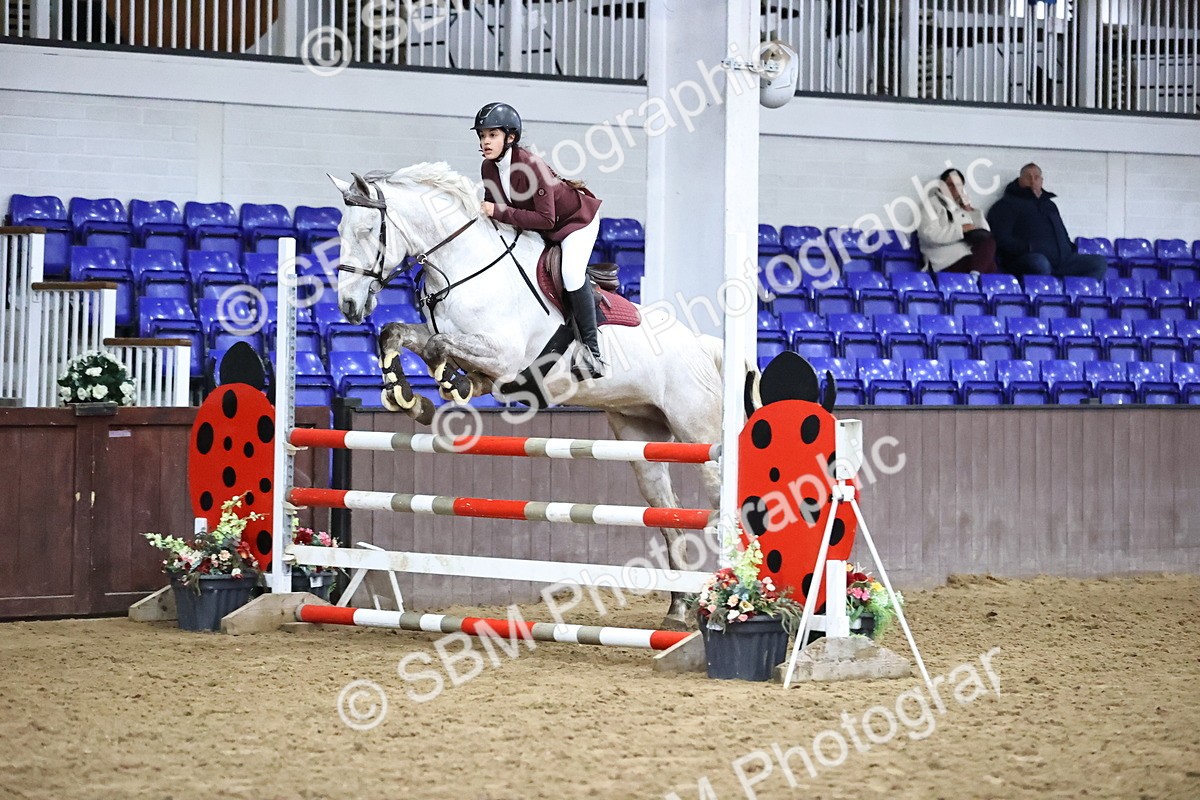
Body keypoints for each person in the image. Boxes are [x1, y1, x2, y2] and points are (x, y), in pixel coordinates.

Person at [472, 102, 606, 379]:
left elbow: (546, 220)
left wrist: (497, 211)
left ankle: (592, 352)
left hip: (575, 223)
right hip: (543, 227)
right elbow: (498, 213)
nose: (486, 141)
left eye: (492, 135)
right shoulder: (489, 168)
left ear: (510, 137)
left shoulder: (531, 165)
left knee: (570, 273)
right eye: (482, 135)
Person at [985, 163, 1107, 280]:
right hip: (1026, 260)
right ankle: (1046, 297)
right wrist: (1028, 248)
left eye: (1036, 177)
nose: (1032, 181)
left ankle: (1078, 297)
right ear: (1020, 180)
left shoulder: (1049, 205)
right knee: (1039, 263)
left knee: (1098, 263)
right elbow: (1001, 238)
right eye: (1028, 177)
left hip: (1062, 261)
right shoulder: (1005, 205)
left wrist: (1068, 248)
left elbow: (1062, 233)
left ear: (1041, 181)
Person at [916, 167, 997, 274]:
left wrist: (970, 211)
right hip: (943, 258)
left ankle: (974, 277)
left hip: (967, 254)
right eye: (950, 185)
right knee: (988, 268)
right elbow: (928, 234)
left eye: (958, 185)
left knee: (989, 253)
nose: (954, 189)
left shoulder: (963, 207)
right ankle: (973, 279)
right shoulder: (931, 205)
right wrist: (961, 230)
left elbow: (986, 233)